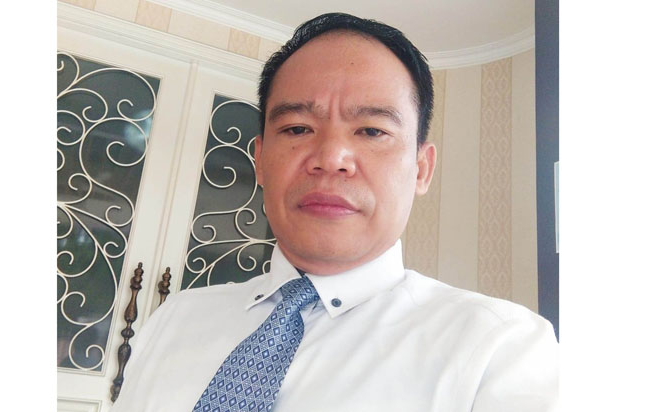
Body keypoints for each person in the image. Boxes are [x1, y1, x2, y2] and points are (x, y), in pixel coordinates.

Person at [113, 13, 558, 412]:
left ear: (421, 169)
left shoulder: (499, 349)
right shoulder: (173, 322)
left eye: (372, 130)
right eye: (297, 128)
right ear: (260, 160)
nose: (331, 158)